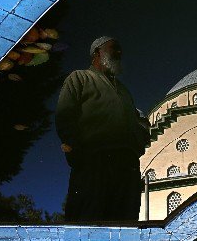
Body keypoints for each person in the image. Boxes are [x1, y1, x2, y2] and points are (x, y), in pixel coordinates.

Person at [55, 36, 150, 222]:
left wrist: (137, 143)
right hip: (94, 160)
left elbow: (135, 121)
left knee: (124, 221)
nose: (119, 53)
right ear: (97, 53)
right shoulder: (80, 78)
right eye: (114, 48)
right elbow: (65, 116)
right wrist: (78, 153)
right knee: (90, 216)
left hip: (127, 166)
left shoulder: (124, 91)